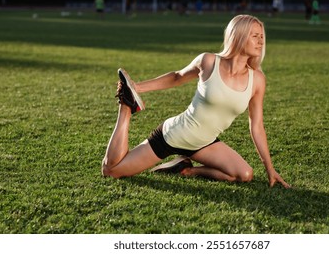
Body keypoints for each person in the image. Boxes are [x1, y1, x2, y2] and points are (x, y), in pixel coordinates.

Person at [101, 14, 290, 188]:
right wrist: (136, 88)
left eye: (262, 36)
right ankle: (126, 106)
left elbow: (256, 126)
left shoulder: (257, 80)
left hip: (204, 143)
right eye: (255, 35)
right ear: (239, 35)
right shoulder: (208, 62)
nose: (261, 41)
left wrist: (269, 168)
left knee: (245, 174)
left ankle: (186, 168)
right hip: (173, 135)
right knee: (111, 171)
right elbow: (176, 77)